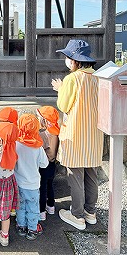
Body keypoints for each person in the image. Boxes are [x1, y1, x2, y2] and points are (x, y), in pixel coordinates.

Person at [51, 39, 104, 230]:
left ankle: (77, 215)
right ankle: (91, 212)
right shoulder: (98, 77)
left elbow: (64, 106)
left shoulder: (72, 79)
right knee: (91, 174)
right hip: (95, 135)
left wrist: (60, 89)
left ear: (75, 60)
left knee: (75, 176)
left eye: (67, 57)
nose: (66, 60)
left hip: (75, 134)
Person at [14, 114, 49, 240]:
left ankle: (21, 226)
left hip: (18, 182)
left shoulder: (16, 145)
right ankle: (32, 228)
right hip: (33, 184)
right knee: (33, 207)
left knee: (20, 206)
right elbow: (44, 164)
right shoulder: (38, 147)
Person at [36, 106, 60, 221]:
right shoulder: (56, 131)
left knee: (42, 188)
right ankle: (51, 206)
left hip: (43, 165)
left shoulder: (43, 134)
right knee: (50, 185)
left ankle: (41, 212)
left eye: (39, 117)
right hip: (53, 164)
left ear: (45, 120)